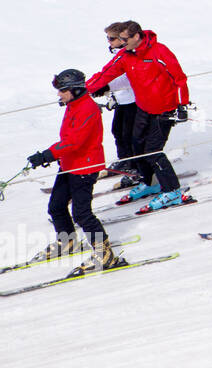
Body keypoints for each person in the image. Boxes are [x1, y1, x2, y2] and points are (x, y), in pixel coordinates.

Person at [26, 70, 124, 276]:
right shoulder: (73, 105)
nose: (59, 94)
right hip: (70, 164)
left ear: (76, 89)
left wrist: (48, 154)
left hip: (84, 167)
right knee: (56, 206)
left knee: (82, 213)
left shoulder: (87, 108)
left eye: (63, 90)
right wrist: (52, 155)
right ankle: (67, 241)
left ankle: (105, 254)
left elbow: (75, 141)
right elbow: (68, 140)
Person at [85, 21, 190, 211]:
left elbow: (179, 79)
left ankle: (173, 190)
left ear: (136, 36)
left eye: (124, 39)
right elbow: (106, 73)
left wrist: (182, 106)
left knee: (153, 151)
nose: (121, 43)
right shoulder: (126, 55)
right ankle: (150, 182)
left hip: (164, 110)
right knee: (137, 145)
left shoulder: (159, 51)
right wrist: (83, 90)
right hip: (143, 108)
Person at [102, 22, 138, 175]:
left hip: (132, 100)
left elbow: (128, 78)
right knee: (117, 130)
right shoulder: (117, 53)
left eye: (111, 38)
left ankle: (133, 162)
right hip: (122, 99)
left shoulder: (129, 54)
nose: (108, 42)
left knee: (128, 133)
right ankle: (124, 159)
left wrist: (106, 87)